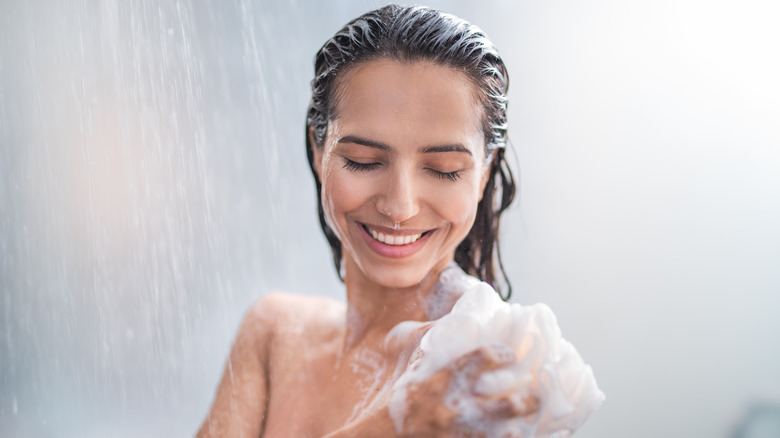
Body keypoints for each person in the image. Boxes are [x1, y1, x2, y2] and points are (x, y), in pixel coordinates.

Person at [198, 5, 523, 436]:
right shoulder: (274, 334)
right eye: (363, 161)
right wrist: (389, 422)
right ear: (319, 152)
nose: (400, 206)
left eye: (444, 168)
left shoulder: (490, 377)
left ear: (483, 173)